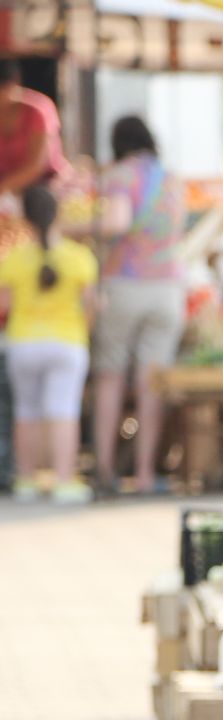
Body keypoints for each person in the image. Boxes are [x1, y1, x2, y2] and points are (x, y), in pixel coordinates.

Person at [91, 115, 186, 495]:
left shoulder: (120, 175)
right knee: (151, 384)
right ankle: (146, 473)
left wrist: (75, 229)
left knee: (110, 377)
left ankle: (104, 470)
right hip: (168, 288)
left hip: (126, 283)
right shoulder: (172, 178)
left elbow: (116, 222)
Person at [2, 184, 96, 502]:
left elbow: (3, 304)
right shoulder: (80, 257)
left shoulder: (14, 259)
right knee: (63, 412)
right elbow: (91, 306)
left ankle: (27, 480)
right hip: (67, 342)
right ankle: (64, 480)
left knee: (26, 413)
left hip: (23, 342)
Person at [0, 61, 66, 197]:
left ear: (12, 84)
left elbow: (36, 165)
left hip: (43, 189)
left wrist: (3, 188)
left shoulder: (38, 110)